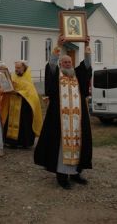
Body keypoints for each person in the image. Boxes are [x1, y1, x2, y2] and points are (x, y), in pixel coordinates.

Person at [34, 35, 92, 189]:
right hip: (61, 120)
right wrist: (57, 47)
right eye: (64, 62)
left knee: (79, 145)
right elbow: (51, 64)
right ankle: (62, 176)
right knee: (60, 145)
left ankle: (76, 173)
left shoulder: (77, 75)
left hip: (78, 121)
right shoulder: (57, 74)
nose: (67, 63)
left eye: (69, 62)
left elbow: (87, 65)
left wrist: (86, 46)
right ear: (61, 63)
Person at [1, 61, 43, 148]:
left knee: (24, 124)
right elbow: (9, 86)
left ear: (24, 68)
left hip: (24, 106)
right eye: (16, 68)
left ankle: (24, 143)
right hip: (13, 104)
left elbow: (31, 93)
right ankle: (11, 142)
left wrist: (18, 92)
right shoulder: (13, 76)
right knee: (10, 123)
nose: (16, 70)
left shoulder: (27, 78)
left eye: (18, 68)